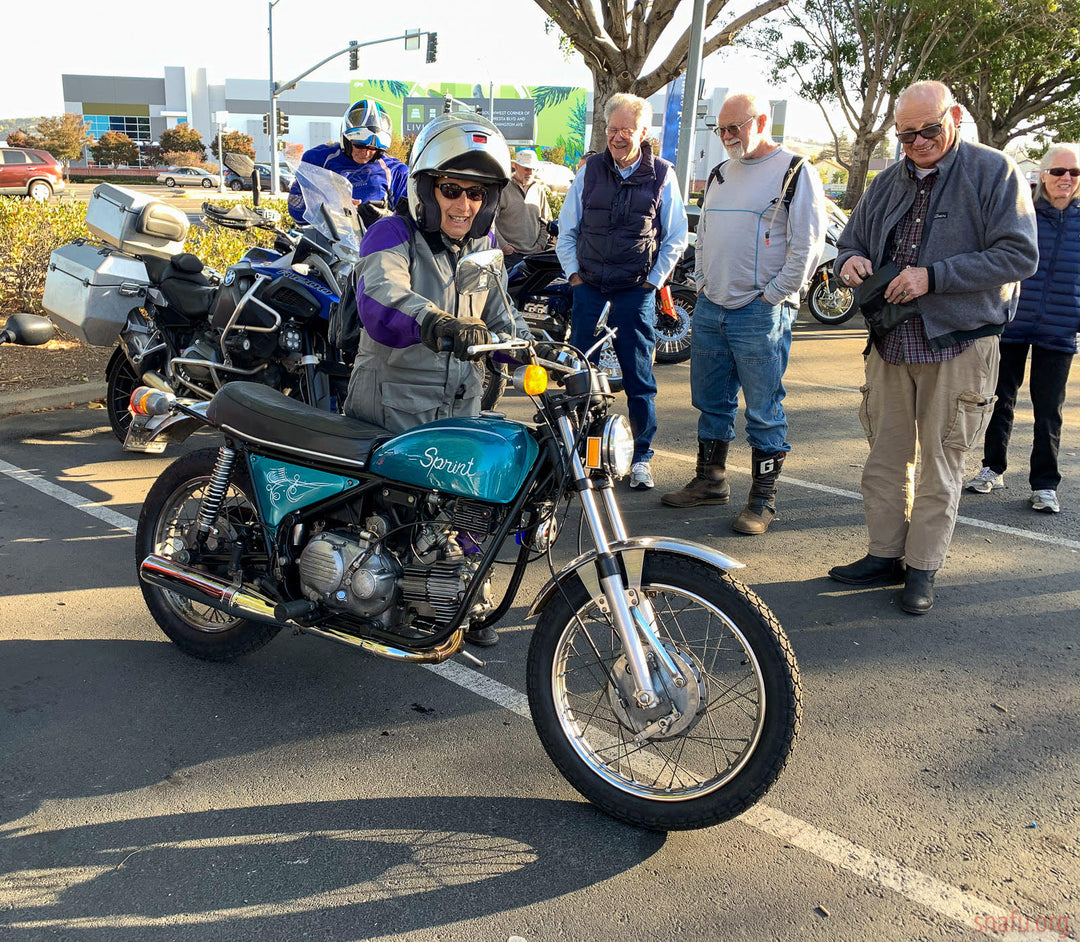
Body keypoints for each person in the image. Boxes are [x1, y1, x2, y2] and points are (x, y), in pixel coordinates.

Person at [827, 80, 1038, 615]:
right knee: (884, 458)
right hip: (889, 341)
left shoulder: (994, 171)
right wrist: (847, 261)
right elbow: (849, 240)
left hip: (960, 344)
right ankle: (884, 554)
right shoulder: (885, 181)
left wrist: (934, 277)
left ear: (956, 116)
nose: (917, 143)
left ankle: (922, 567)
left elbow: (1019, 255)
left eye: (928, 130)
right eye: (905, 135)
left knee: (942, 463)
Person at [341, 112, 526, 644]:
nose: (463, 204)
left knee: (472, 503)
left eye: (477, 193)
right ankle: (365, 592)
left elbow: (501, 315)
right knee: (391, 518)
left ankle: (461, 596)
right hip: (395, 404)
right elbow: (381, 296)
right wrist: (436, 320)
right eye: (451, 189)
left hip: (460, 404)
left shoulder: (482, 250)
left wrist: (530, 350)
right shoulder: (390, 234)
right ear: (427, 187)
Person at [660, 92, 826, 534]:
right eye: (722, 129)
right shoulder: (719, 173)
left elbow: (807, 244)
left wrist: (773, 296)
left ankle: (763, 500)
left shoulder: (795, 171)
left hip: (760, 312)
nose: (729, 136)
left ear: (762, 121)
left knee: (764, 410)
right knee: (711, 402)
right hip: (713, 307)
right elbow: (708, 232)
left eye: (736, 127)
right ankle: (710, 481)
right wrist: (703, 286)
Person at [556, 93, 689, 489]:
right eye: (612, 129)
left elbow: (675, 236)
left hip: (636, 289)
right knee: (578, 371)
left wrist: (653, 281)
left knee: (638, 375)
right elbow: (568, 229)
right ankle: (577, 451)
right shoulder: (590, 170)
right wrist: (575, 277)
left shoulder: (663, 174)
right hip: (589, 286)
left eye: (625, 131)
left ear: (644, 132)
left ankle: (642, 456)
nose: (617, 137)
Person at [965, 142, 1080, 514]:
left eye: (1074, 173)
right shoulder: (1021, 211)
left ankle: (1045, 485)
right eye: (1059, 171)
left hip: (1060, 329)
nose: (1066, 179)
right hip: (1012, 322)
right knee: (1000, 400)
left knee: (1049, 410)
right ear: (1043, 174)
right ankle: (992, 468)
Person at [288, 99, 408, 226]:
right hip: (326, 240)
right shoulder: (317, 159)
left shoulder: (396, 171)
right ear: (347, 140)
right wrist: (333, 208)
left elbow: (411, 219)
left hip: (376, 242)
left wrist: (385, 216)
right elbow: (296, 207)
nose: (366, 153)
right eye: (360, 145)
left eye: (373, 149)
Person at [494, 149, 553, 271]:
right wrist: (503, 245)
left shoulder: (539, 190)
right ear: (516, 166)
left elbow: (546, 222)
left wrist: (541, 245)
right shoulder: (503, 188)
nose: (530, 172)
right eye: (527, 168)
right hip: (509, 256)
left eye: (533, 169)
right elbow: (490, 222)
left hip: (534, 256)